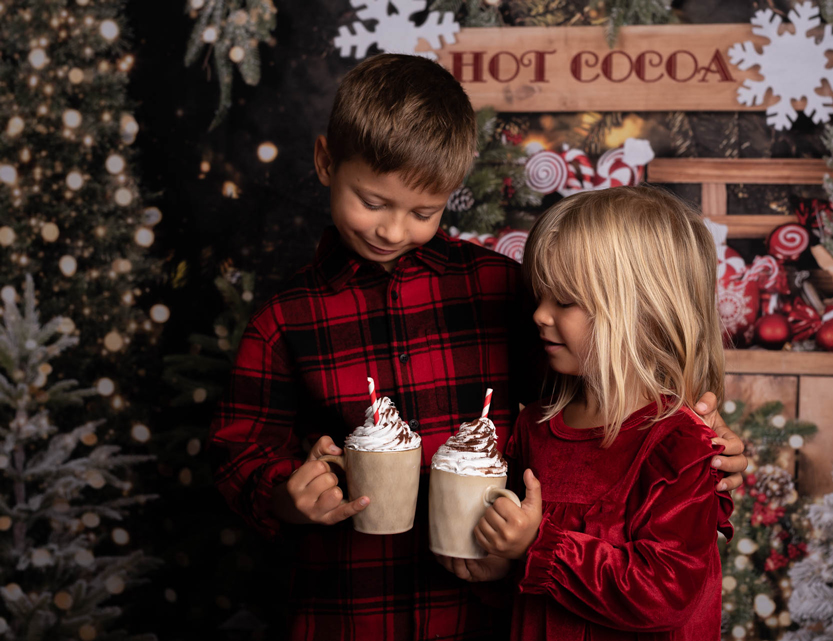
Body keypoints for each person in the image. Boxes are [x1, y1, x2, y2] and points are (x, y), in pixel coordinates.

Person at [208, 54, 745, 641]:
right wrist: (285, 494)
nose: (392, 230)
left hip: (482, 610)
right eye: (372, 202)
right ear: (325, 162)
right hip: (349, 607)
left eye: (423, 212)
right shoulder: (283, 319)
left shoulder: (499, 287)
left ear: (451, 194)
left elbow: (593, 387)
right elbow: (238, 452)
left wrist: (699, 443)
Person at [472, 186, 734, 640]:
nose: (539, 314)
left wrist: (540, 545)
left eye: (565, 301)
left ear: (644, 313)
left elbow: (667, 593)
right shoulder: (534, 429)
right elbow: (524, 586)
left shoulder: (678, 445)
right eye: (540, 295)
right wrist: (500, 556)